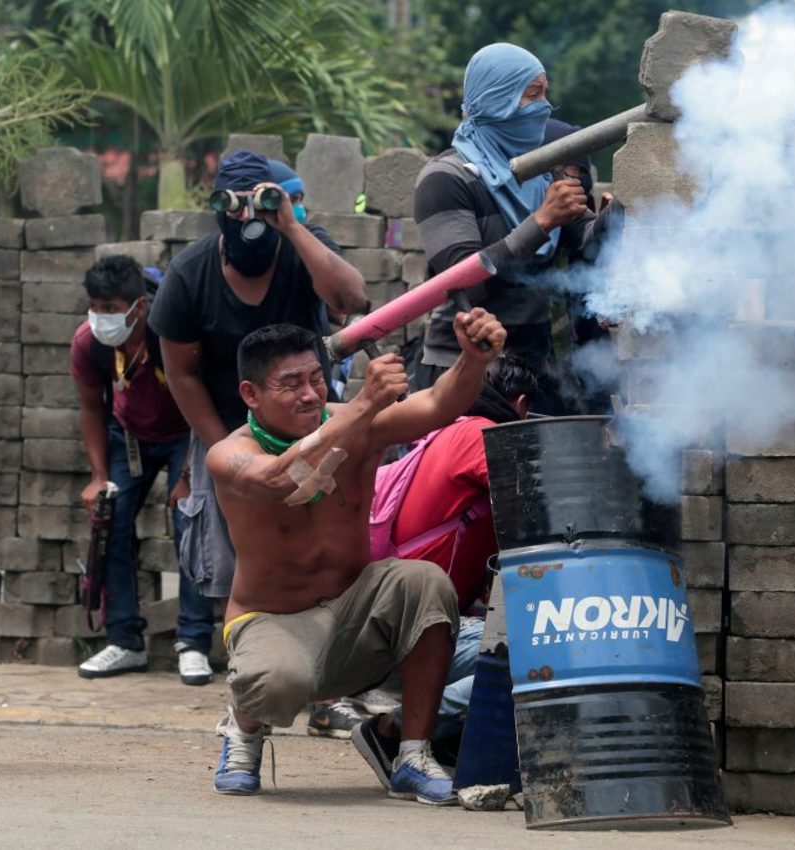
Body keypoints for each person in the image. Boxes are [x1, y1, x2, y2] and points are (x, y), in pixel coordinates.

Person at [207, 308, 507, 802]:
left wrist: (473, 360)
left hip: (355, 610)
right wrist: (364, 403)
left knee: (424, 580)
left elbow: (437, 403)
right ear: (251, 394)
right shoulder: (228, 454)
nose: (310, 394)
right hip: (272, 620)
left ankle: (411, 755)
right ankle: (243, 731)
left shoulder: (356, 423)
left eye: (315, 379)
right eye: (291, 384)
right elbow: (282, 480)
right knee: (278, 681)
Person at [411, 42, 616, 410]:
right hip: (463, 371)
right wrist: (542, 221)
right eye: (532, 95)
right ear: (495, 97)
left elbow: (584, 240)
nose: (544, 107)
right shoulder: (446, 177)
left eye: (545, 94)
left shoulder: (541, 173)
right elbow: (463, 281)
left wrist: (611, 219)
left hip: (532, 369)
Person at [361, 354, 553, 742]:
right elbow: (538, 498)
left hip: (394, 621)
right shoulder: (480, 433)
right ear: (521, 405)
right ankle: (394, 730)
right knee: (540, 655)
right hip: (411, 631)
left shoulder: (446, 432)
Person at [69, 256, 217, 684]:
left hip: (186, 434)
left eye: (111, 308)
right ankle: (125, 641)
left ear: (139, 306)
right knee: (110, 522)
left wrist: (188, 476)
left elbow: (204, 402)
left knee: (190, 522)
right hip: (128, 436)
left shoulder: (170, 332)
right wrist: (99, 477)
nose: (101, 316)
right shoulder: (89, 343)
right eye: (95, 306)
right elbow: (90, 409)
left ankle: (193, 642)